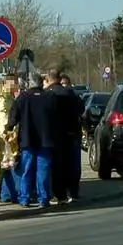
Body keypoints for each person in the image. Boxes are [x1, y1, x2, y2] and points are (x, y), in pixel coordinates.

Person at [6, 71, 56, 207]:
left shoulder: (23, 97)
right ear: (40, 82)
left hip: (27, 139)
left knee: (26, 170)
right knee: (43, 170)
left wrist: (9, 128)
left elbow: (13, 118)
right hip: (45, 139)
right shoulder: (49, 97)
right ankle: (43, 198)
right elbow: (56, 117)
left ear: (29, 83)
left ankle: (24, 198)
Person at [46, 70, 82, 203]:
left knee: (57, 166)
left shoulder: (49, 94)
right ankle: (73, 192)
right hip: (71, 133)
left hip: (55, 135)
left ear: (49, 80)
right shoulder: (71, 93)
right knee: (71, 164)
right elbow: (80, 111)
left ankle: (59, 194)